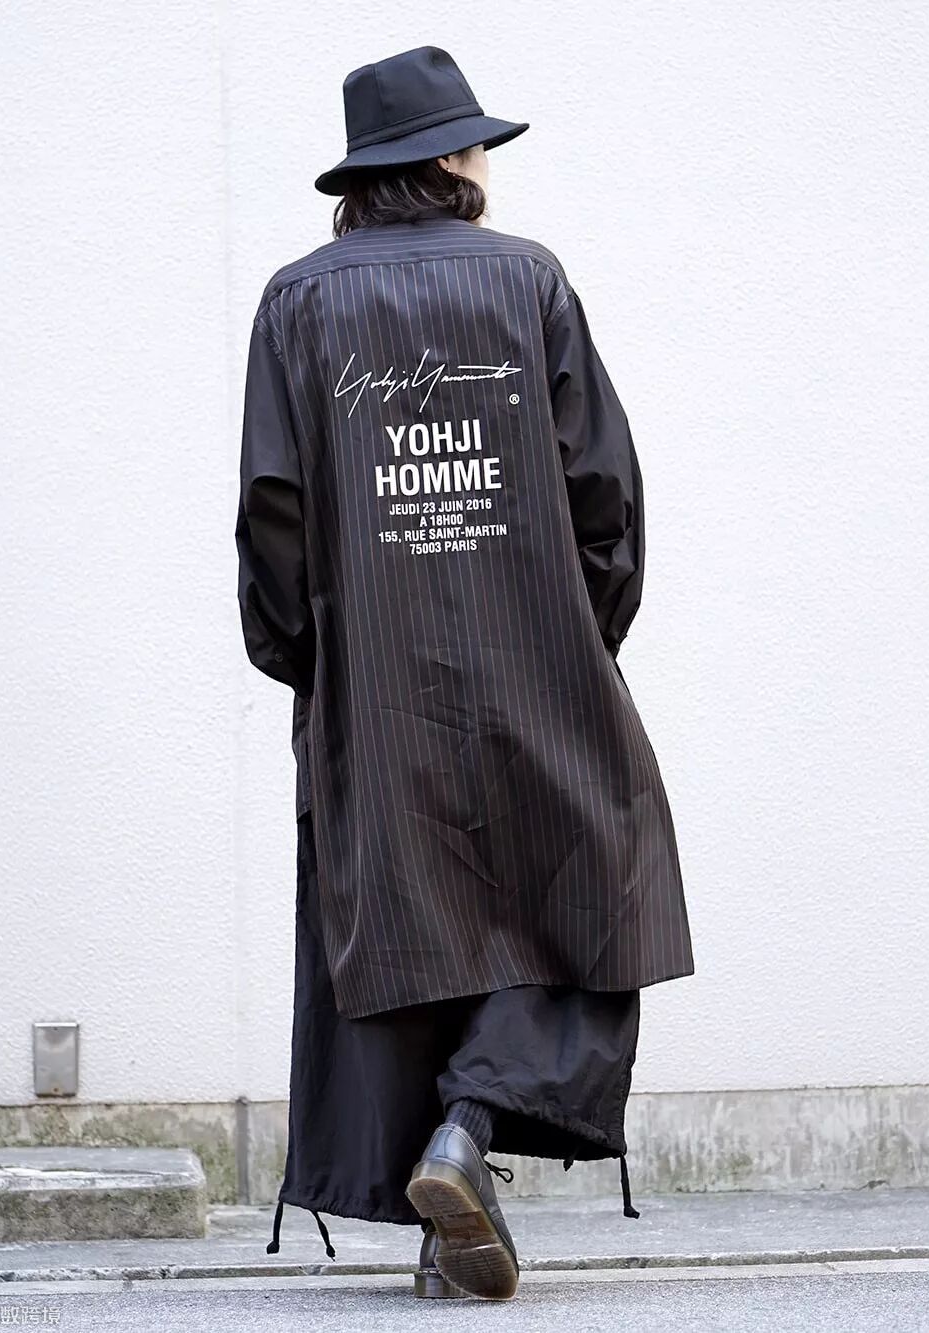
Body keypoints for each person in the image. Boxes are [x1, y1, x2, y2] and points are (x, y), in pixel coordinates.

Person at [235, 44, 695, 1302]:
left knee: (409, 918)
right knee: (591, 886)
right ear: (448, 158)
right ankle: (467, 1134)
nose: (487, 162)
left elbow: (273, 509)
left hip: (372, 680)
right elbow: (601, 486)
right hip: (539, 657)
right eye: (479, 143)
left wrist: (309, 666)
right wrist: (583, 630)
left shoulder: (296, 301)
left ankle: (450, 1163)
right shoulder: (527, 279)